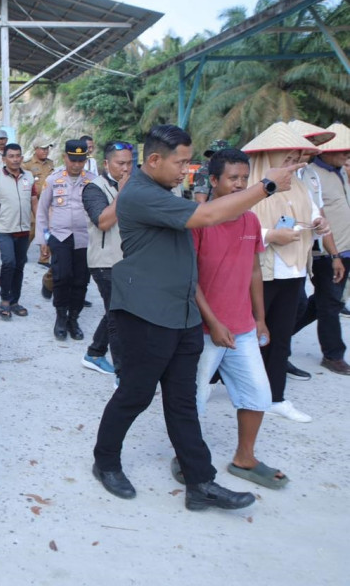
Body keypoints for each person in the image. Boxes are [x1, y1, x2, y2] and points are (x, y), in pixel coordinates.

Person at [92, 124, 300, 511]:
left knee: (183, 402)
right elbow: (205, 217)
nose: (186, 170)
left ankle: (200, 482)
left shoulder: (163, 190)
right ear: (153, 160)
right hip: (146, 314)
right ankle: (105, 462)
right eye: (181, 162)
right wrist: (265, 186)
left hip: (183, 313)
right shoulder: (139, 193)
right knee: (134, 395)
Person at [180, 147, 289, 490]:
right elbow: (189, 278)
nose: (240, 185)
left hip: (242, 328)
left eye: (245, 178)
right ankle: (187, 458)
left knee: (257, 393)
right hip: (203, 329)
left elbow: (255, 270)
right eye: (233, 179)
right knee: (194, 398)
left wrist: (260, 318)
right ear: (213, 181)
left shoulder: (251, 220)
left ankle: (245, 458)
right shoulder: (199, 220)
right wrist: (212, 322)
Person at [246, 122, 333, 423]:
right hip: (259, 273)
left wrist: (319, 225)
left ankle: (275, 397)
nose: (291, 164)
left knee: (280, 337)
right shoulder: (250, 187)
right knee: (247, 335)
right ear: (269, 157)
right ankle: (239, 388)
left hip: (292, 270)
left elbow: (312, 217)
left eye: (295, 158)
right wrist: (270, 235)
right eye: (286, 158)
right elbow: (237, 228)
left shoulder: (300, 185)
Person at [293, 122, 350, 375]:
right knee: (329, 302)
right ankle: (333, 354)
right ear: (327, 150)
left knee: (324, 301)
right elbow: (319, 216)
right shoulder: (310, 174)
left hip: (344, 248)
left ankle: (280, 333)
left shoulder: (338, 172)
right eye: (342, 151)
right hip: (325, 250)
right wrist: (333, 253)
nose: (346, 156)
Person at [80, 141, 132, 376]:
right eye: (121, 163)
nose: (126, 168)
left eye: (130, 163)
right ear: (106, 163)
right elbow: (103, 221)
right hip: (104, 262)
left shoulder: (135, 184)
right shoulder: (93, 188)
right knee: (119, 317)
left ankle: (94, 353)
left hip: (129, 260)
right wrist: (123, 192)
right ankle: (123, 375)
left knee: (117, 311)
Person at [36, 140, 95, 341]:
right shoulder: (53, 180)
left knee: (81, 279)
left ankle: (74, 318)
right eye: (73, 160)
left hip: (85, 238)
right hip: (59, 236)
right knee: (62, 277)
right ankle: (61, 317)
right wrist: (44, 239)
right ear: (65, 158)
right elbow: (42, 211)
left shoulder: (93, 181)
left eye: (81, 160)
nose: (77, 165)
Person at [0, 143, 37, 320]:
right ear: (4, 159)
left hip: (23, 229)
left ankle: (15, 301)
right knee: (9, 262)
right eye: (11, 156)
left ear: (22, 158)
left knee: (20, 264)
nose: (15, 159)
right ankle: (5, 299)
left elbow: (33, 200)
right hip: (3, 228)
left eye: (18, 156)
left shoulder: (28, 177)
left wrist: (39, 221)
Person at [23, 139, 55, 266]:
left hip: (49, 202)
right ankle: (22, 252)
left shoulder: (50, 164)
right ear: (36, 149)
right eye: (43, 148)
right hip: (34, 201)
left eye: (47, 148)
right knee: (32, 228)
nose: (45, 151)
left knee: (48, 228)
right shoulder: (27, 165)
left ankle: (44, 257)